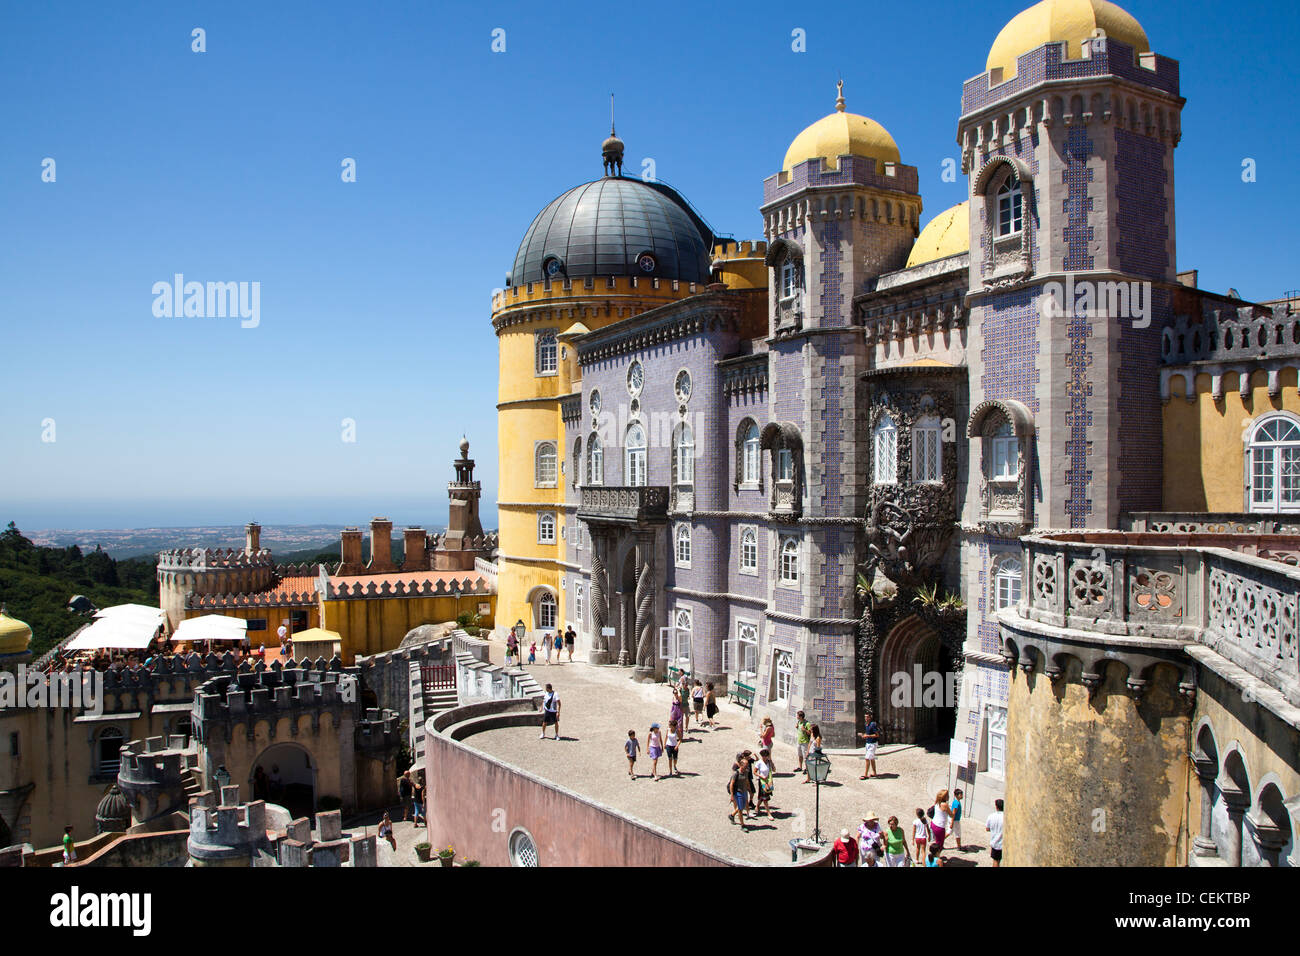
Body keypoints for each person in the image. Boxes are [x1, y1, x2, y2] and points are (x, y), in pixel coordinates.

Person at [727, 756, 753, 829]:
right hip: (738, 792)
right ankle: (742, 825)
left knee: (742, 806)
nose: (747, 766)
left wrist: (749, 789)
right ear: (741, 765)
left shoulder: (746, 772)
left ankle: (732, 815)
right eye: (746, 765)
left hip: (744, 791)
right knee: (741, 809)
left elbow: (747, 780)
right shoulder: (736, 773)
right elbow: (731, 784)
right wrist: (732, 795)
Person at [929, 788, 954, 857]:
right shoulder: (945, 805)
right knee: (939, 845)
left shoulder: (937, 802)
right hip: (940, 827)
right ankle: (936, 858)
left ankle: (934, 856)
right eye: (947, 795)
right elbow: (951, 815)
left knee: (936, 841)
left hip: (933, 823)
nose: (949, 796)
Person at [857, 711, 881, 779]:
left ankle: (865, 775)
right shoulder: (866, 724)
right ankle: (874, 773)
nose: (866, 718)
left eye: (867, 717)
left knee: (867, 758)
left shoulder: (873, 724)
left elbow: (877, 735)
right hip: (868, 743)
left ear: (870, 717)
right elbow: (868, 733)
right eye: (865, 717)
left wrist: (867, 736)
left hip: (873, 744)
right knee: (872, 758)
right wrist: (863, 735)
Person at [754, 747, 774, 816]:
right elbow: (755, 772)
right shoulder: (759, 763)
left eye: (766, 756)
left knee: (763, 795)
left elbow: (774, 770)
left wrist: (771, 763)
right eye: (763, 756)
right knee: (765, 797)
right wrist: (761, 776)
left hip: (768, 781)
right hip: (762, 781)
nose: (765, 757)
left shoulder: (768, 762)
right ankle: (768, 813)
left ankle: (757, 807)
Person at [986, 798, 1005, 867]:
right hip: (1003, 843)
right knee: (998, 861)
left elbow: (987, 828)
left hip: (995, 842)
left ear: (996, 807)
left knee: (996, 860)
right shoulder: (1006, 817)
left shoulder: (991, 816)